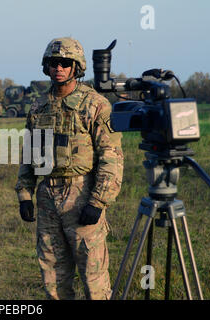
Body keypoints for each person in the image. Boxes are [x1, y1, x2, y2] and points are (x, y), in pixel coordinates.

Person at [15, 37, 124, 300]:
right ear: (46, 66)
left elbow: (111, 156)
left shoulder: (94, 104)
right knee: (52, 275)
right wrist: (24, 195)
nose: (58, 68)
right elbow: (29, 153)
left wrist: (98, 201)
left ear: (77, 67)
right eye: (53, 63)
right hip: (48, 196)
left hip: (81, 193)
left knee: (93, 276)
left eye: (65, 63)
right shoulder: (39, 106)